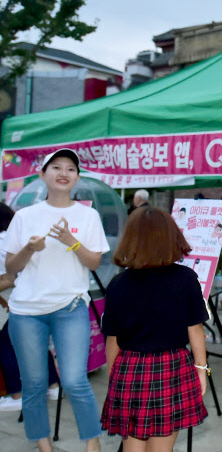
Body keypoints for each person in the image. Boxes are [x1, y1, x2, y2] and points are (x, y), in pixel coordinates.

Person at [4, 148, 109, 452]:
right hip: (26, 312)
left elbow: (93, 262)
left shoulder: (88, 216)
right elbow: (11, 268)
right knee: (34, 384)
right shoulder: (24, 216)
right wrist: (29, 249)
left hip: (71, 307)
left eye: (71, 169)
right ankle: (43, 445)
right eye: (57, 167)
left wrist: (70, 242)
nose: (64, 173)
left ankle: (92, 443)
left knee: (76, 382)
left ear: (77, 177)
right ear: (42, 175)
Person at [101, 206, 209, 451]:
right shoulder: (186, 279)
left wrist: (113, 379)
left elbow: (112, 339)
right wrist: (201, 370)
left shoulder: (118, 285)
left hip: (129, 369)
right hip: (172, 368)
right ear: (172, 238)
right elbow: (195, 329)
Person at [0, 202, 61, 412]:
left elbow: (11, 277)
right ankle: (53, 387)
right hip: (43, 298)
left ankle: (18, 394)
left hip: (26, 301)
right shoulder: (20, 236)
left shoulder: (3, 242)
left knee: (6, 344)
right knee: (37, 341)